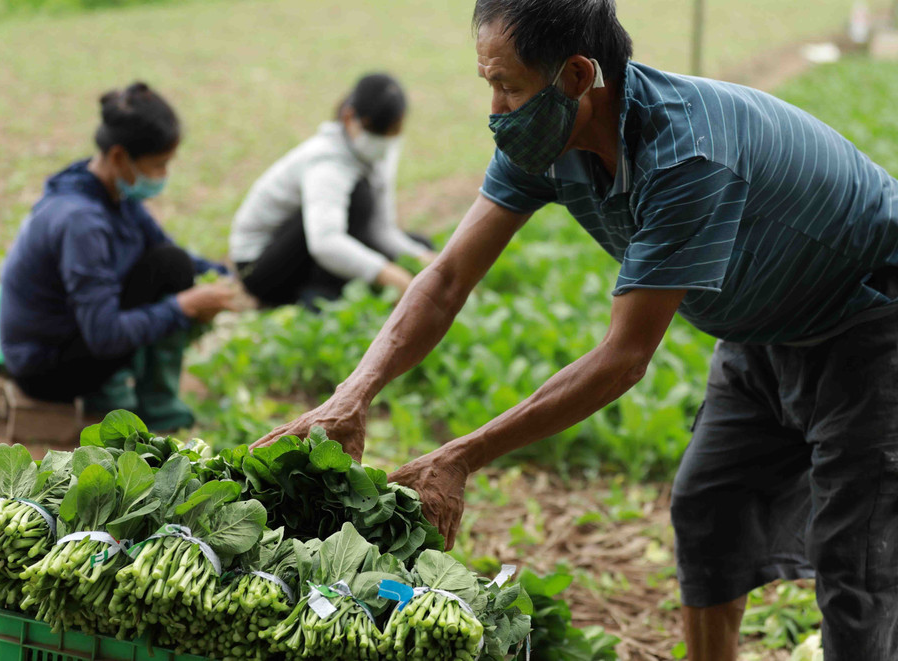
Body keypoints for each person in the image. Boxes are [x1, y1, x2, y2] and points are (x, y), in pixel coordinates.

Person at [251, 1, 898, 659]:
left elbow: (623, 357)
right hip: (763, 325)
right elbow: (446, 278)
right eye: (489, 84)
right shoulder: (542, 138)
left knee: (859, 559)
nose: (497, 108)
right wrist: (352, 394)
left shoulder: (685, 155)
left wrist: (460, 455)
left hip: (871, 320)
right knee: (709, 510)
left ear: (578, 75)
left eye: (508, 84)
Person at [0, 81, 236, 431]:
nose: (163, 177)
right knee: (170, 284)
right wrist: (182, 306)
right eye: (158, 165)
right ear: (119, 157)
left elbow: (162, 247)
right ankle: (154, 410)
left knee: (172, 264)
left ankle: (131, 393)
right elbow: (105, 335)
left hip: (71, 334)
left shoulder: (107, 190)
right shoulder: (81, 221)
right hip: (44, 369)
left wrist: (222, 277)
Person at [229, 73, 436, 308]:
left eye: (394, 131)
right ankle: (318, 294)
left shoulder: (380, 148)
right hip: (260, 267)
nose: (387, 141)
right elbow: (325, 241)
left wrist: (421, 257)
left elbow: (381, 228)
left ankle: (334, 284)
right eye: (378, 133)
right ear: (349, 117)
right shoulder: (326, 161)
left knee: (421, 244)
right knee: (359, 199)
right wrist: (387, 274)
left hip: (306, 245)